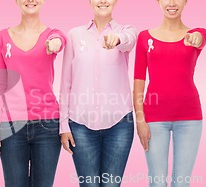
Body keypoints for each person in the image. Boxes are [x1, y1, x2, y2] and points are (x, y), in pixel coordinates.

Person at [0, 0, 66, 186]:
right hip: (11, 127)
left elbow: (60, 38)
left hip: (47, 125)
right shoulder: (2, 37)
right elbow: (0, 82)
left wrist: (56, 42)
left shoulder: (51, 36)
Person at [60, 0, 137, 186]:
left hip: (119, 124)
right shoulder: (74, 35)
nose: (103, 1)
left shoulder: (126, 31)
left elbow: (129, 40)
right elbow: (65, 82)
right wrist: (63, 126)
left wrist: (117, 39)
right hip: (80, 125)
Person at [133, 0, 206, 186]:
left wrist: (197, 37)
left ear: (185, 2)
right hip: (154, 119)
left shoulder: (195, 35)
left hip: (190, 118)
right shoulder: (144, 37)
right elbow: (138, 83)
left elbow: (202, 36)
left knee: (182, 182)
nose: (172, 3)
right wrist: (140, 120)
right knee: (157, 181)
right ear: (158, 2)